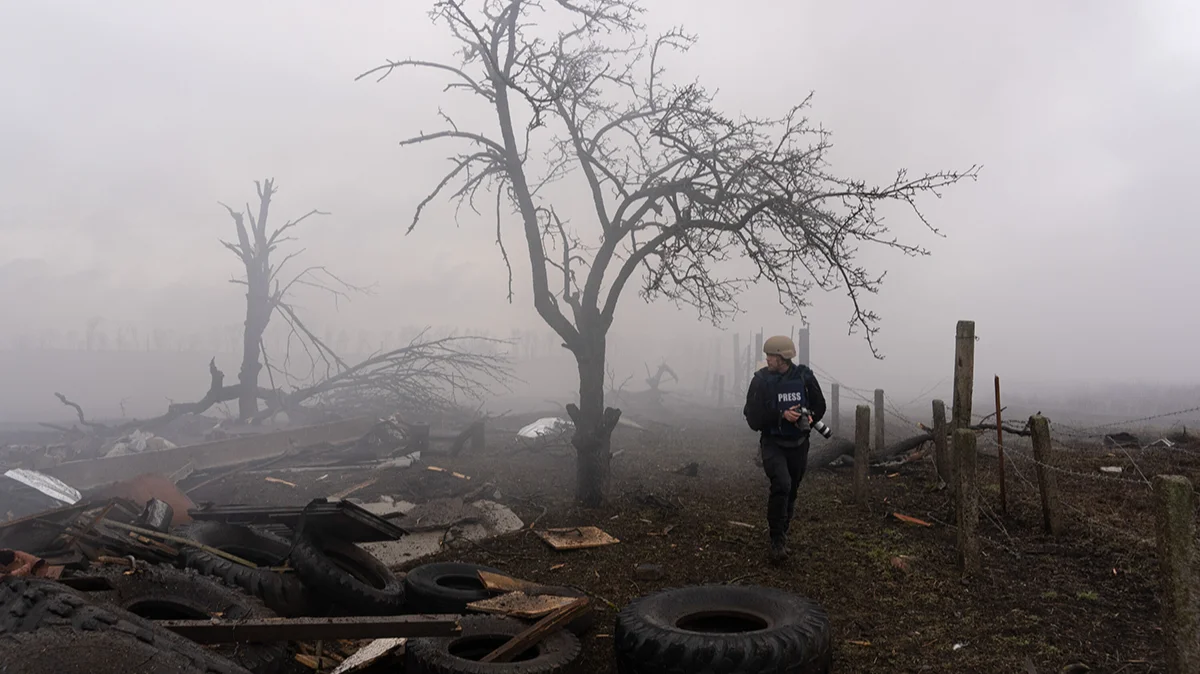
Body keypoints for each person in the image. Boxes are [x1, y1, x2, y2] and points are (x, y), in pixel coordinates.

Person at [742, 334, 827, 564]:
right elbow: (751, 416)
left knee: (792, 489)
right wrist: (780, 414)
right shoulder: (760, 380)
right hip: (772, 443)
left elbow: (820, 405)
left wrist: (809, 417)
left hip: (799, 444)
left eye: (772, 355)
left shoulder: (804, 377)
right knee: (782, 484)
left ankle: (783, 528)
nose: (767, 359)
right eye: (767, 355)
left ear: (783, 357)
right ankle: (776, 539)